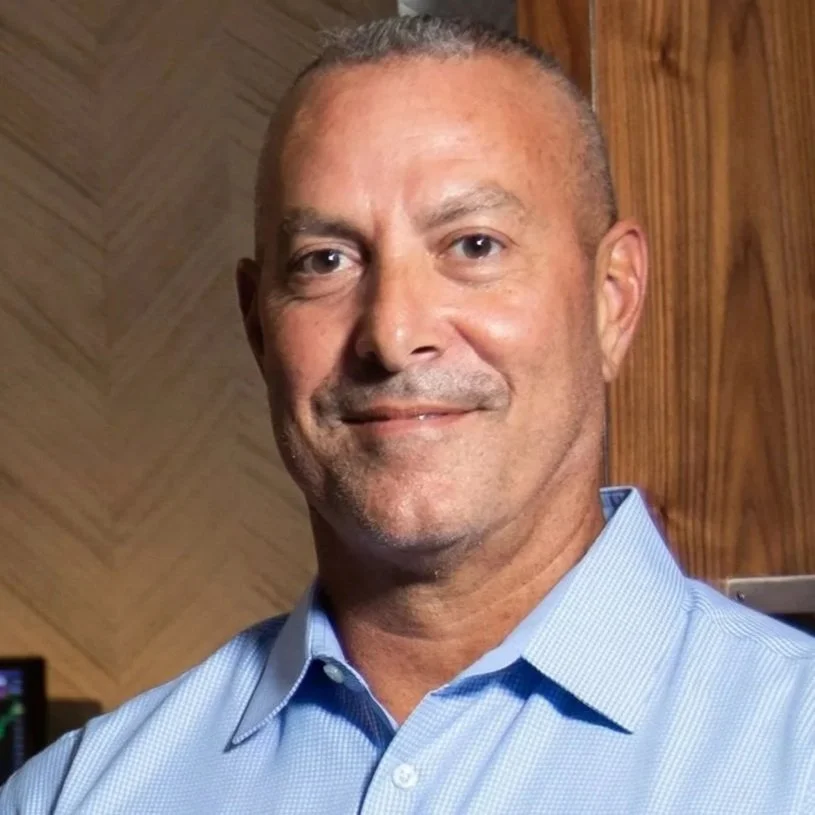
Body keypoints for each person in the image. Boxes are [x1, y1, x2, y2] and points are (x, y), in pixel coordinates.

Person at [2, 14, 813, 815]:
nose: (392, 333)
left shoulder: (791, 750)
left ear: (611, 299)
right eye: (325, 261)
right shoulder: (75, 795)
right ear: (257, 326)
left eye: (473, 246)